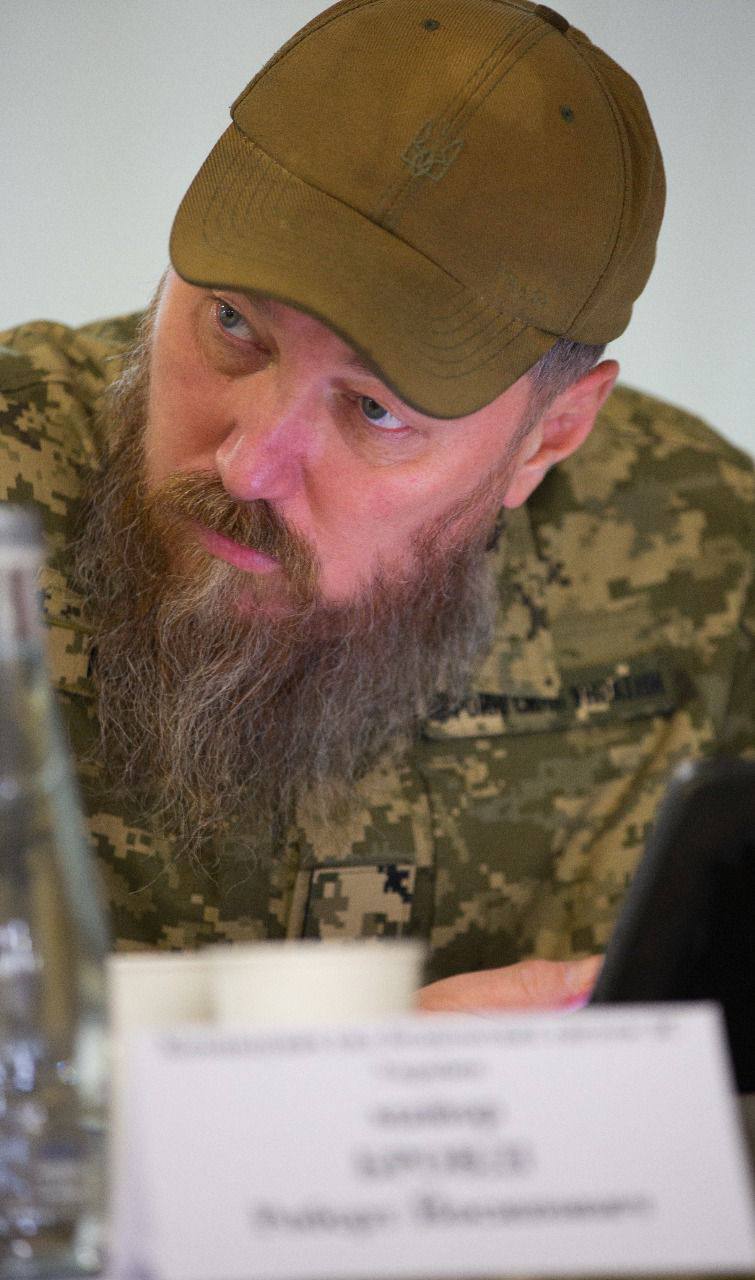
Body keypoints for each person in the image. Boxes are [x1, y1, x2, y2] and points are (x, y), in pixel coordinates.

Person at [0, 0, 752, 1012]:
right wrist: (360, 1084)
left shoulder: (707, 569)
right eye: (233, 324)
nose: (247, 466)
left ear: (550, 435)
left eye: (373, 409)